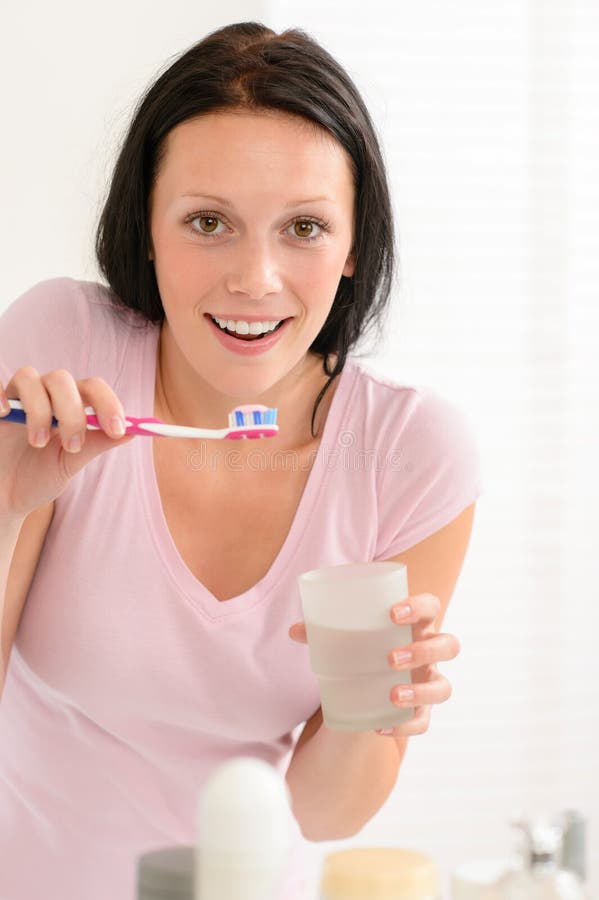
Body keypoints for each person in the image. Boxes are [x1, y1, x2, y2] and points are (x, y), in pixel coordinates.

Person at [0, 21, 483, 900]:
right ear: (145, 226)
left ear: (350, 247)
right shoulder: (64, 351)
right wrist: (4, 502)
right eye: (208, 222)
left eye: (303, 226)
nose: (256, 276)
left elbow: (325, 814)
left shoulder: (409, 456)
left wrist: (368, 708)